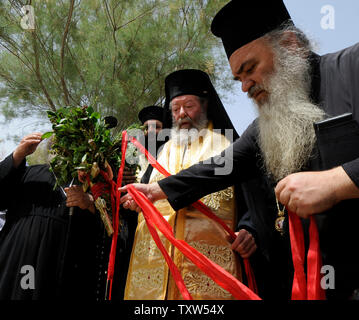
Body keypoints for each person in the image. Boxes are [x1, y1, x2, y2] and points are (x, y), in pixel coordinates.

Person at [120, 0, 359, 300]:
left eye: (250, 69)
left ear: (290, 45)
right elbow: (219, 167)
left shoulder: (352, 68)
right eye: (238, 78)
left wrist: (338, 181)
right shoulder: (268, 124)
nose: (245, 86)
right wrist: (158, 190)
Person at [123, 68, 256, 300]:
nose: (181, 113)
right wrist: (133, 200)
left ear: (204, 106)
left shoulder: (227, 145)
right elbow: (141, 196)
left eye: (189, 106)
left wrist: (249, 229)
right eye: (175, 109)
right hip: (155, 273)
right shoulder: (161, 153)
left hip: (209, 273)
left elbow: (252, 199)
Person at [0, 133, 100, 299]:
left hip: (56, 266)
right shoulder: (27, 173)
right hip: (17, 258)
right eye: (60, 147)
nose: (66, 152)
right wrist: (18, 155)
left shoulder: (87, 188)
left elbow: (101, 231)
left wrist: (88, 202)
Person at [136, 105, 165, 183]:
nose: (150, 131)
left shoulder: (175, 154)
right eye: (146, 128)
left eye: (156, 127)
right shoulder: (137, 158)